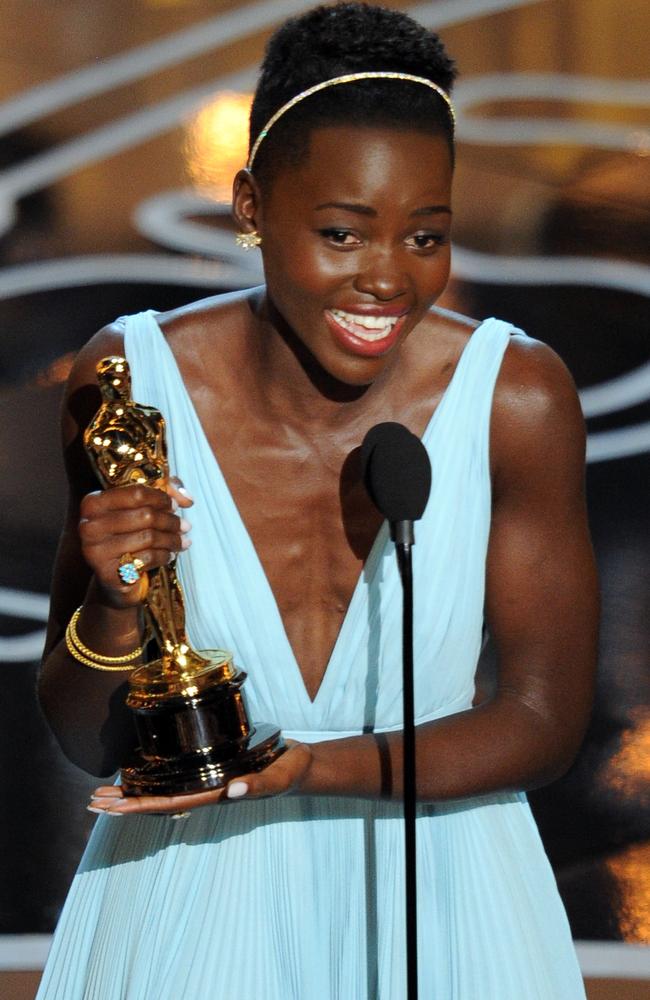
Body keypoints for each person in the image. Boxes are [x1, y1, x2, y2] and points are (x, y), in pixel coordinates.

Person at [36, 3, 598, 997]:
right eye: (340, 232)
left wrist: (305, 768)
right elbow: (88, 737)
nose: (385, 278)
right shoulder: (131, 382)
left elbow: (544, 720)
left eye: (425, 234)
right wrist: (115, 604)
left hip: (445, 900)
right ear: (250, 205)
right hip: (188, 910)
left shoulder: (513, 397)